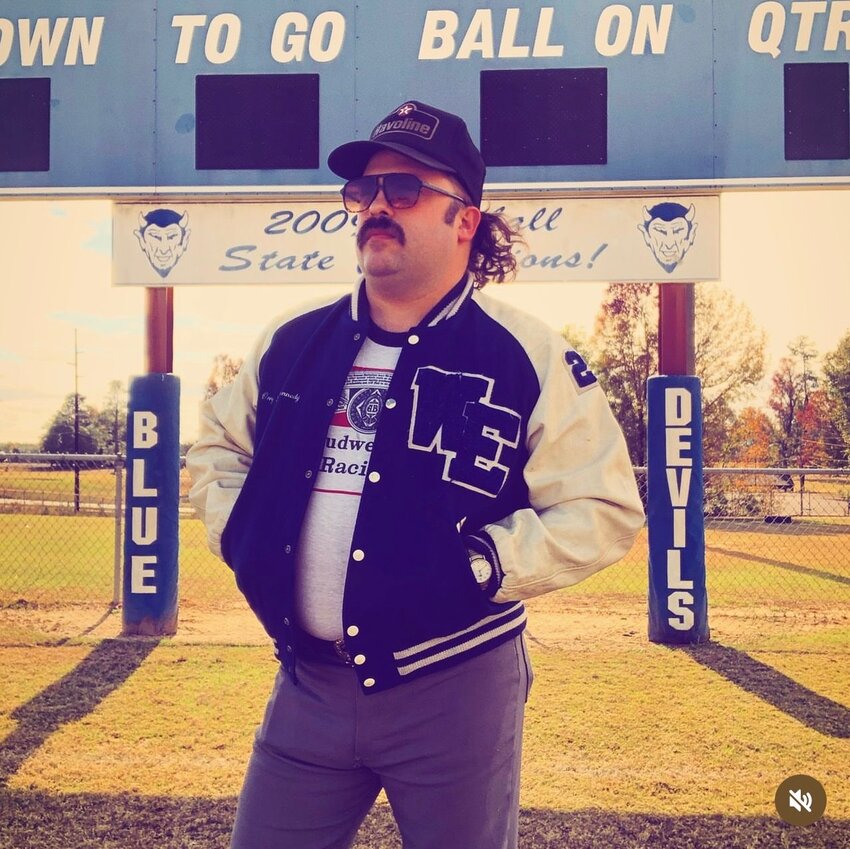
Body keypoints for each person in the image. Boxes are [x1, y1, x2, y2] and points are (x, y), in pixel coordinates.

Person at [187, 99, 644, 849]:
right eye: (364, 193)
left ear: (465, 219)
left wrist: (482, 562)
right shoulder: (293, 339)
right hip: (308, 685)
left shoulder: (525, 354)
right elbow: (215, 450)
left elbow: (603, 505)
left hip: (455, 688)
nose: (376, 207)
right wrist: (243, 528)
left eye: (403, 191)